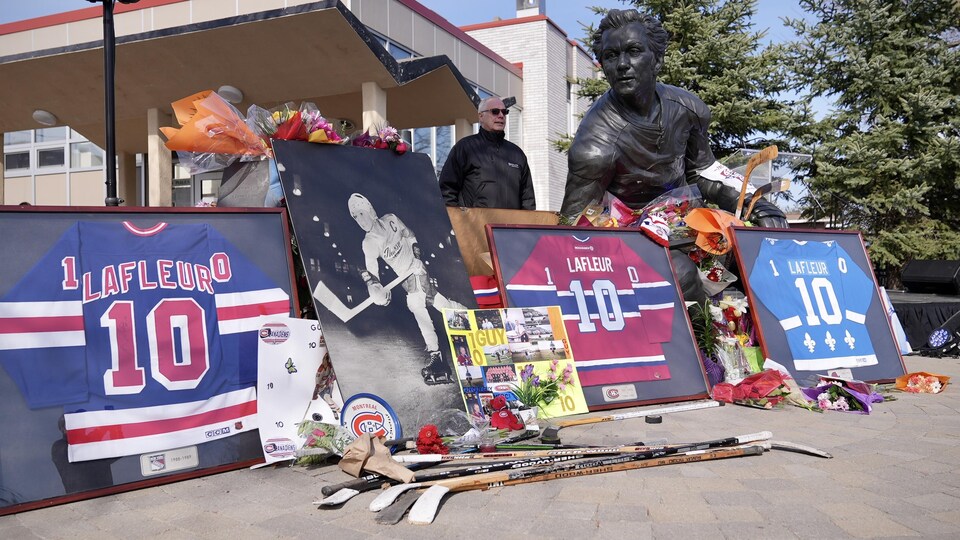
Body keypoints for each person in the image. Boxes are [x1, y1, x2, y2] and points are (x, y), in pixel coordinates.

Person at [560, 9, 788, 301]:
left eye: (633, 51)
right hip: (628, 242)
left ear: (657, 59)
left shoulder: (688, 108)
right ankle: (706, 343)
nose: (622, 65)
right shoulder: (595, 144)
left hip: (687, 225)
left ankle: (761, 340)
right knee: (680, 272)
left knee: (754, 247)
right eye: (611, 55)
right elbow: (571, 226)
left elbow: (705, 172)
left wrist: (758, 205)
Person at [347, 193, 467, 382]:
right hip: (405, 278)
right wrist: (375, 287)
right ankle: (467, 320)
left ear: (370, 210)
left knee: (419, 304)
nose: (359, 220)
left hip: (417, 269)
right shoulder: (369, 242)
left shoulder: (391, 219)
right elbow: (372, 270)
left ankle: (439, 353)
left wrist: (417, 258)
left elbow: (410, 235)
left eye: (361, 213)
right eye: (355, 217)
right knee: (437, 302)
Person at [439, 97, 536, 210]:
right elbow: (446, 190)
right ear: (481, 116)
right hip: (475, 225)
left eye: (504, 112)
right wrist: (458, 222)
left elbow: (528, 199)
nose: (501, 115)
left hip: (510, 226)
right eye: (495, 111)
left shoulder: (517, 154)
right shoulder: (465, 148)